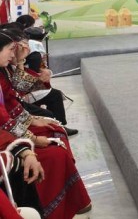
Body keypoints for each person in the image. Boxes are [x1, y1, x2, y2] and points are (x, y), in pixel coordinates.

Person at [0, 29, 92, 218]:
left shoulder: (4, 68)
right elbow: (14, 101)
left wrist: (19, 62)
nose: (15, 51)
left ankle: (74, 202)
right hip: (8, 138)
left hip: (10, 130)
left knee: (55, 130)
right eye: (12, 48)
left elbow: (13, 100)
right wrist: (30, 141)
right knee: (55, 150)